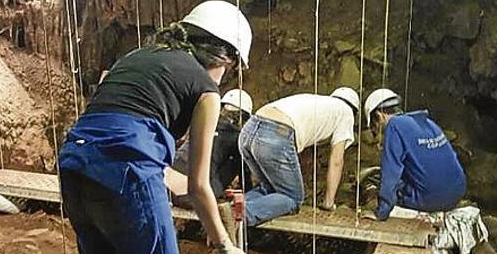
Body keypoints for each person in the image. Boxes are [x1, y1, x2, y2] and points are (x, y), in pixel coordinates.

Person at [57, 0, 253, 254]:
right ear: (225, 57)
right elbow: (198, 185)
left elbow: (117, 128)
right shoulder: (206, 90)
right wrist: (227, 247)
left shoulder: (135, 59)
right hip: (127, 170)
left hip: (74, 166)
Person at [239, 87, 359, 226]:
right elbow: (337, 161)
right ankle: (242, 214)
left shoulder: (318, 102)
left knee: (269, 190)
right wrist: (329, 202)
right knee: (293, 198)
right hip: (275, 134)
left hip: (248, 130)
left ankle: (225, 211)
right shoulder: (346, 112)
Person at [364, 89, 466, 221]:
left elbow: (391, 173)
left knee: (380, 186)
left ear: (379, 116)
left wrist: (381, 212)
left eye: (375, 128)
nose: (378, 134)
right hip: (458, 191)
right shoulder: (427, 122)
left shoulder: (393, 126)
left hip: (434, 199)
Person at [164, 88, 254, 207]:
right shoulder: (236, 137)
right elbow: (243, 170)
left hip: (165, 187)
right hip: (190, 196)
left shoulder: (199, 122)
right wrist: (248, 190)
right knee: (236, 160)